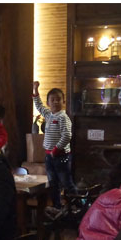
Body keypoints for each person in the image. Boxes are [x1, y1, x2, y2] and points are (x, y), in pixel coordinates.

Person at [33, 81, 75, 211]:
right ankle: (57, 207)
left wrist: (56, 150)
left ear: (63, 102)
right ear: (48, 103)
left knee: (66, 183)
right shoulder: (48, 115)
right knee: (53, 184)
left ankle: (78, 205)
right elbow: (39, 106)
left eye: (58, 99)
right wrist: (35, 91)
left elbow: (67, 135)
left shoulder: (63, 117)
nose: (55, 102)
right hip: (49, 156)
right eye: (52, 100)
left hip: (61, 156)